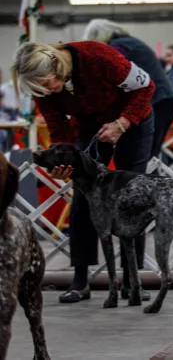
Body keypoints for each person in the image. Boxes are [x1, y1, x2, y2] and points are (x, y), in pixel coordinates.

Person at [12, 40, 155, 303]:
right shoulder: (43, 89)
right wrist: (63, 162)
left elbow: (147, 86)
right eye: (38, 88)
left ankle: (132, 281)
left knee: (131, 200)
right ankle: (80, 279)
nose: (45, 91)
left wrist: (122, 123)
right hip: (89, 128)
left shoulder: (99, 57)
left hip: (131, 122)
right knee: (83, 199)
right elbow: (58, 128)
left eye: (45, 83)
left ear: (56, 64)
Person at [83, 19, 173, 159]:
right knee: (148, 154)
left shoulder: (119, 46)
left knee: (145, 155)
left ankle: (150, 179)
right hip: (163, 99)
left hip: (159, 100)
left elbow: (107, 67)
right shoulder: (129, 42)